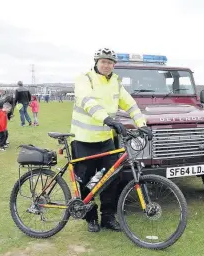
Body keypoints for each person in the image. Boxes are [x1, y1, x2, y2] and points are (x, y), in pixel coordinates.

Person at [70, 47, 152, 232]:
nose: (107, 65)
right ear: (96, 62)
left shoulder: (115, 82)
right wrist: (107, 119)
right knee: (87, 181)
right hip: (84, 139)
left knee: (111, 180)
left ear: (114, 65)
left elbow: (131, 105)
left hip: (106, 140)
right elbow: (87, 101)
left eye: (110, 63)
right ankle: (90, 218)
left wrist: (142, 124)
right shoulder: (85, 79)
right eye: (103, 62)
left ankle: (108, 217)